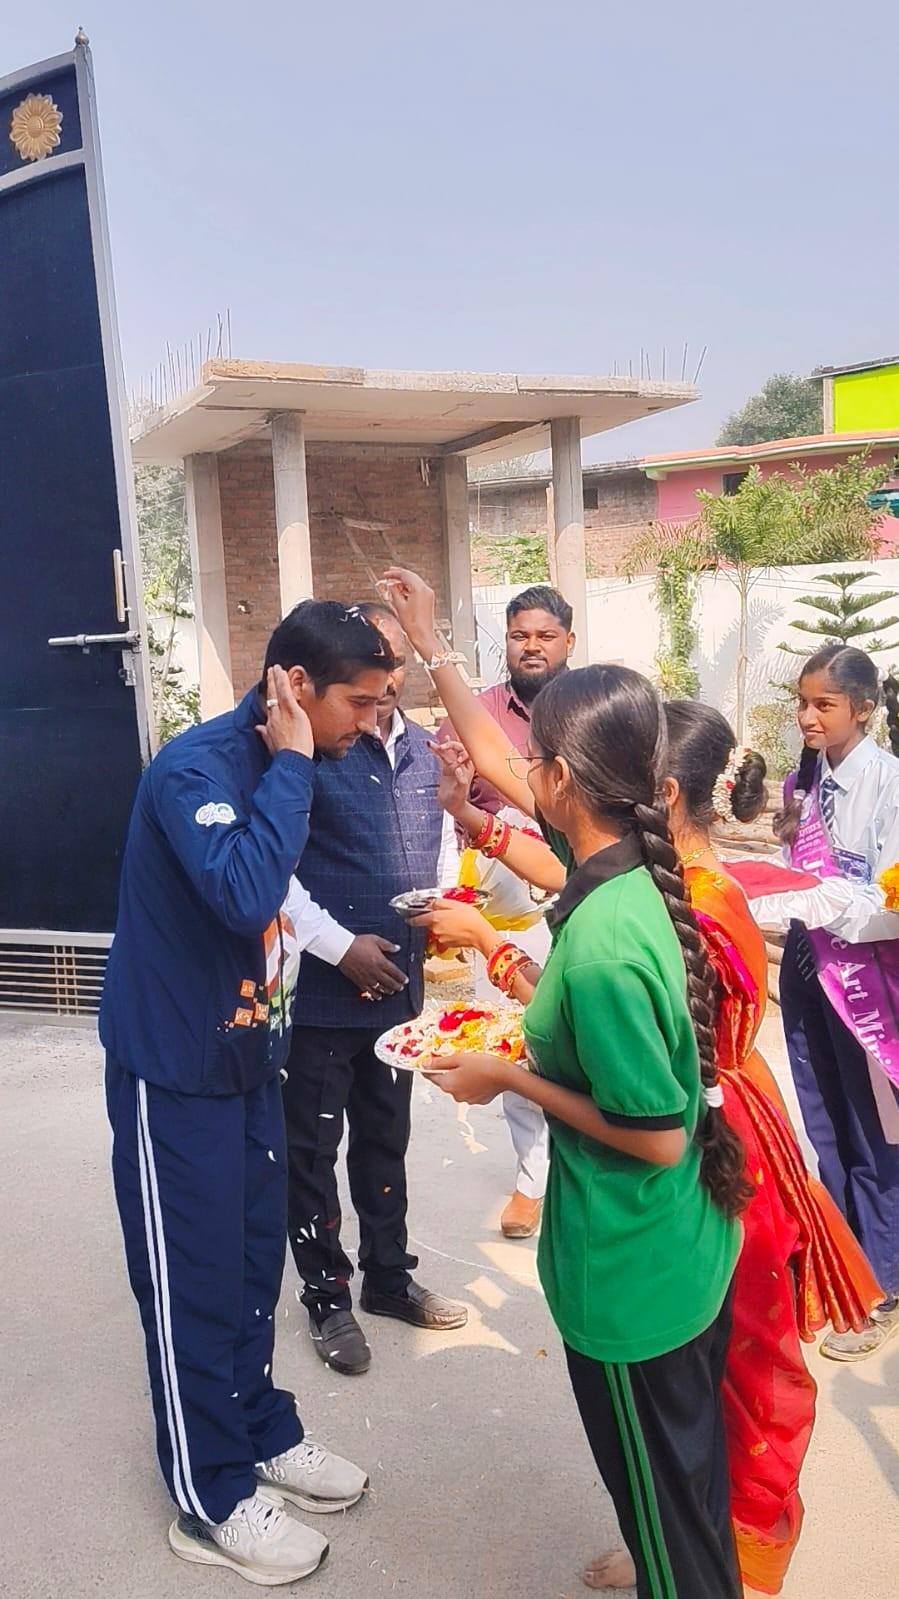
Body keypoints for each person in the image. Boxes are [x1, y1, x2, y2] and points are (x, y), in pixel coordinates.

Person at [424, 664, 747, 1599]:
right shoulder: (635, 876)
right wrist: (513, 969)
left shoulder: (604, 935)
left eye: (530, 761)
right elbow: (607, 1036)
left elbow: (653, 1134)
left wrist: (503, 1075)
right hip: (680, 1245)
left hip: (632, 1274)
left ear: (562, 777)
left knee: (667, 1538)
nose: (521, 773)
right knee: (689, 1500)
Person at [100, 601, 388, 1586]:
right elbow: (241, 888)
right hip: (175, 1069)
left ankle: (259, 1429)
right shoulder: (196, 770)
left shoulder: (286, 761)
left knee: (251, 1263)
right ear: (296, 688)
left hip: (250, 1057)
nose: (370, 724)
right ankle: (208, 1495)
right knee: (192, 1282)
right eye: (359, 703)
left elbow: (285, 894)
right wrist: (298, 763)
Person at [282, 601, 467, 1379]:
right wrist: (340, 947)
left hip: (399, 995)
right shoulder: (309, 747)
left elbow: (443, 846)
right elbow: (275, 871)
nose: (386, 676)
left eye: (395, 657)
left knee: (385, 1139)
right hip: (322, 997)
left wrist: (445, 902)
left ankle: (388, 1275)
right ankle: (326, 1296)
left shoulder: (428, 750)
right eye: (372, 659)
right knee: (311, 1149)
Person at [768, 644, 899, 1360]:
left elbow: (889, 899)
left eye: (823, 704)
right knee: (822, 1123)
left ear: (864, 709)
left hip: (866, 985)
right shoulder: (804, 783)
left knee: (871, 1129)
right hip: (806, 968)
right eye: (801, 702)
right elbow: (799, 872)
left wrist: (814, 902)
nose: (807, 716)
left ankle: (882, 1281)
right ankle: (842, 1264)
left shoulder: (889, 785)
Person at [436, 584, 574, 1237]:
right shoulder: (480, 715)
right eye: (520, 636)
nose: (532, 647)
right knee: (522, 1039)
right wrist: (459, 789)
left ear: (568, 641)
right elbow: (454, 798)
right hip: (506, 902)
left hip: (580, 884)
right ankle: (532, 1180)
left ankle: (584, 1163)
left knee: (581, 1038)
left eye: (545, 635)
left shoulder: (591, 704)